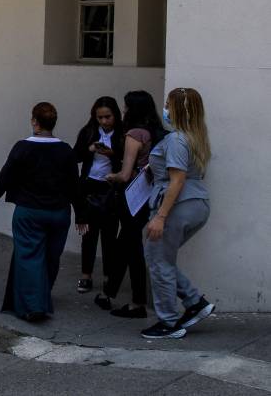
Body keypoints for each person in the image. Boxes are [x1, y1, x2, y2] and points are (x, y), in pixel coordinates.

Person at [0, 102, 83, 322]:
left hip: (29, 211)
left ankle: (33, 305)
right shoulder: (65, 150)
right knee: (51, 256)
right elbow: (74, 184)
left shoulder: (23, 147)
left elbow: (5, 175)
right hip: (59, 212)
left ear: (34, 121)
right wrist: (81, 214)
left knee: (29, 256)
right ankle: (42, 295)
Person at [141, 88, 214, 339]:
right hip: (196, 204)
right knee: (161, 257)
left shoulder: (176, 140)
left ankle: (168, 322)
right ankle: (195, 302)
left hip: (178, 207)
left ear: (178, 110)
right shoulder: (196, 137)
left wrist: (160, 217)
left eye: (167, 104)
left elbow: (177, 180)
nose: (165, 109)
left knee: (158, 260)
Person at [96, 91, 166, 319]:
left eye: (126, 107)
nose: (124, 111)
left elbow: (125, 175)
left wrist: (111, 177)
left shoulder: (135, 134)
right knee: (128, 245)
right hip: (150, 196)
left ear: (133, 109)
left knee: (129, 248)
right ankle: (111, 293)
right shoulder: (157, 132)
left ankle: (135, 302)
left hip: (132, 198)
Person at [73, 97, 124, 294]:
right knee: (88, 234)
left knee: (109, 235)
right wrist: (91, 149)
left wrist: (112, 154)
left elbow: (127, 161)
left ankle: (108, 276)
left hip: (111, 186)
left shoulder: (122, 134)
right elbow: (75, 156)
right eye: (100, 117)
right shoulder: (88, 132)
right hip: (89, 185)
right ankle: (86, 275)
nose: (104, 121)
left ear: (115, 115)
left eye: (107, 117)